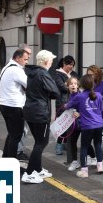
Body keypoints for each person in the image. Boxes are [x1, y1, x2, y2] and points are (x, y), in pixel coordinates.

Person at [21, 50, 61, 184]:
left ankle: (37, 169)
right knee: (41, 142)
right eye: (51, 60)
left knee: (38, 141)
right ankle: (29, 173)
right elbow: (55, 92)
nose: (52, 62)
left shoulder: (30, 72)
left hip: (29, 110)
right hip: (40, 112)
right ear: (46, 61)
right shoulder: (43, 73)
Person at [66, 74, 103, 178]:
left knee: (84, 147)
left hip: (87, 126)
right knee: (98, 145)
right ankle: (100, 166)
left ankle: (84, 171)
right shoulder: (99, 95)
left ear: (81, 85)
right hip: (98, 124)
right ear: (93, 84)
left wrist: (66, 105)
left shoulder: (80, 96)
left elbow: (68, 105)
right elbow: (101, 110)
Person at [0, 49, 29, 159]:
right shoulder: (16, 70)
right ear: (17, 58)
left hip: (5, 105)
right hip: (14, 107)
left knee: (12, 134)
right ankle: (11, 162)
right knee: (16, 136)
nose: (26, 62)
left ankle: (5, 158)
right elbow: (29, 84)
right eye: (25, 59)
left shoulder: (6, 67)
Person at [53, 55, 78, 155]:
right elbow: (62, 87)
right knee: (62, 124)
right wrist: (72, 85)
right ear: (64, 64)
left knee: (71, 124)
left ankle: (67, 144)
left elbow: (77, 85)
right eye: (69, 64)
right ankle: (59, 144)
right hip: (62, 103)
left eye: (72, 65)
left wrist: (68, 85)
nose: (71, 67)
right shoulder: (58, 74)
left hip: (74, 102)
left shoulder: (74, 74)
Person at [16, 43, 32, 161]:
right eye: (27, 54)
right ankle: (18, 151)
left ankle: (17, 150)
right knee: (20, 129)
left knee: (20, 130)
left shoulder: (20, 67)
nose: (29, 57)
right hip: (19, 104)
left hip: (21, 102)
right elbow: (28, 85)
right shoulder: (17, 69)